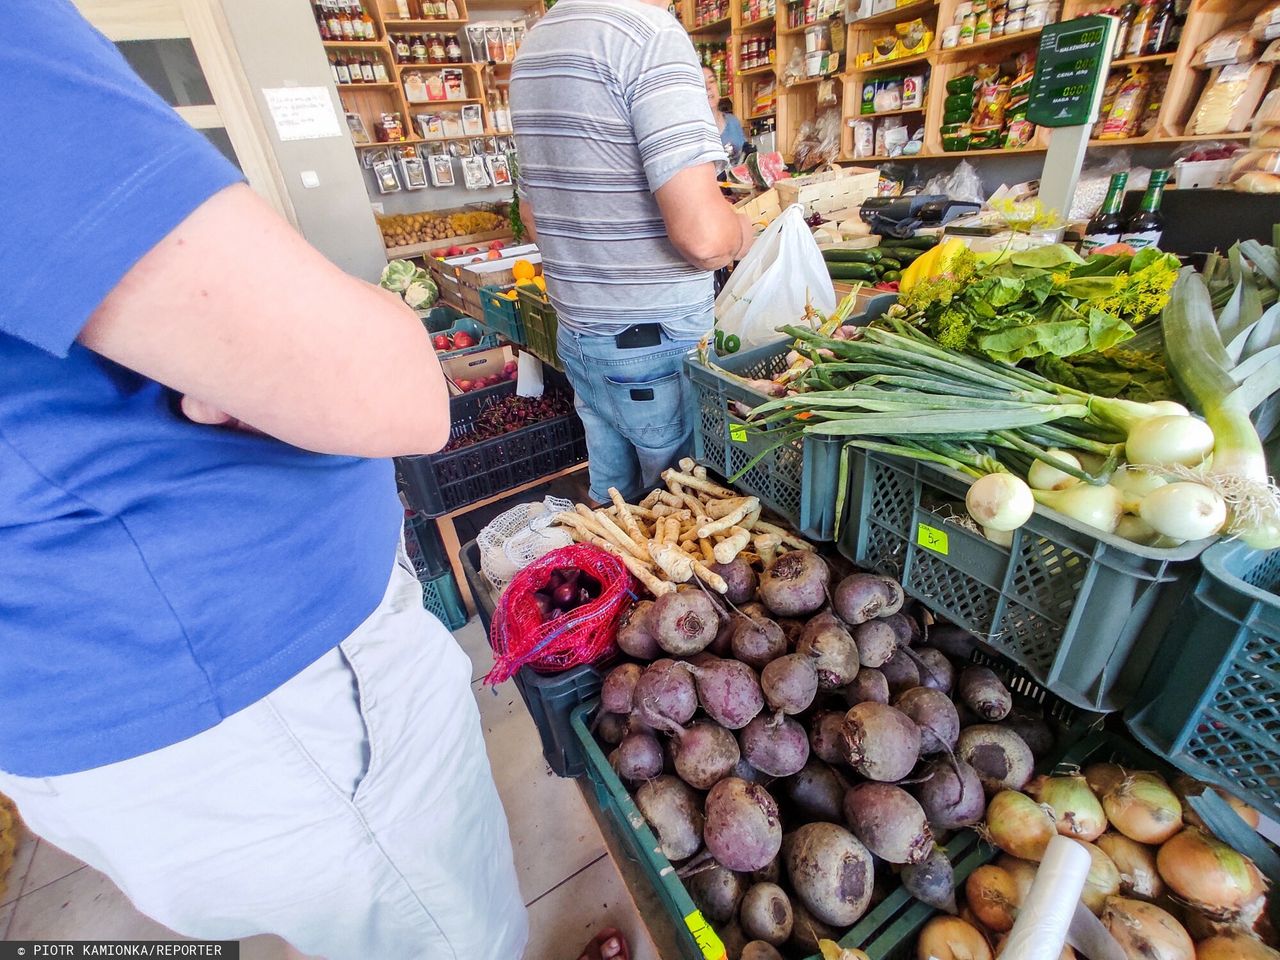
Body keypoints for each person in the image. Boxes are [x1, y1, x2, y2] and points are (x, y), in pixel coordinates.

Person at [0, 4, 527, 959]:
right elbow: (397, 393)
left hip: (91, 700)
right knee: (451, 932)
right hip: (275, 690)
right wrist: (319, 347)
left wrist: (255, 365)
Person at [510, 0, 755, 504]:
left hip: (581, 337)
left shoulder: (536, 44)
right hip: (654, 346)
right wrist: (742, 231)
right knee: (687, 520)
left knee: (617, 513)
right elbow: (705, 239)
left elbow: (534, 218)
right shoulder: (648, 37)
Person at [705, 67, 748, 162]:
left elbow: (746, 158)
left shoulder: (733, 122)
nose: (708, 87)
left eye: (711, 81)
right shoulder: (692, 131)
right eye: (701, 83)